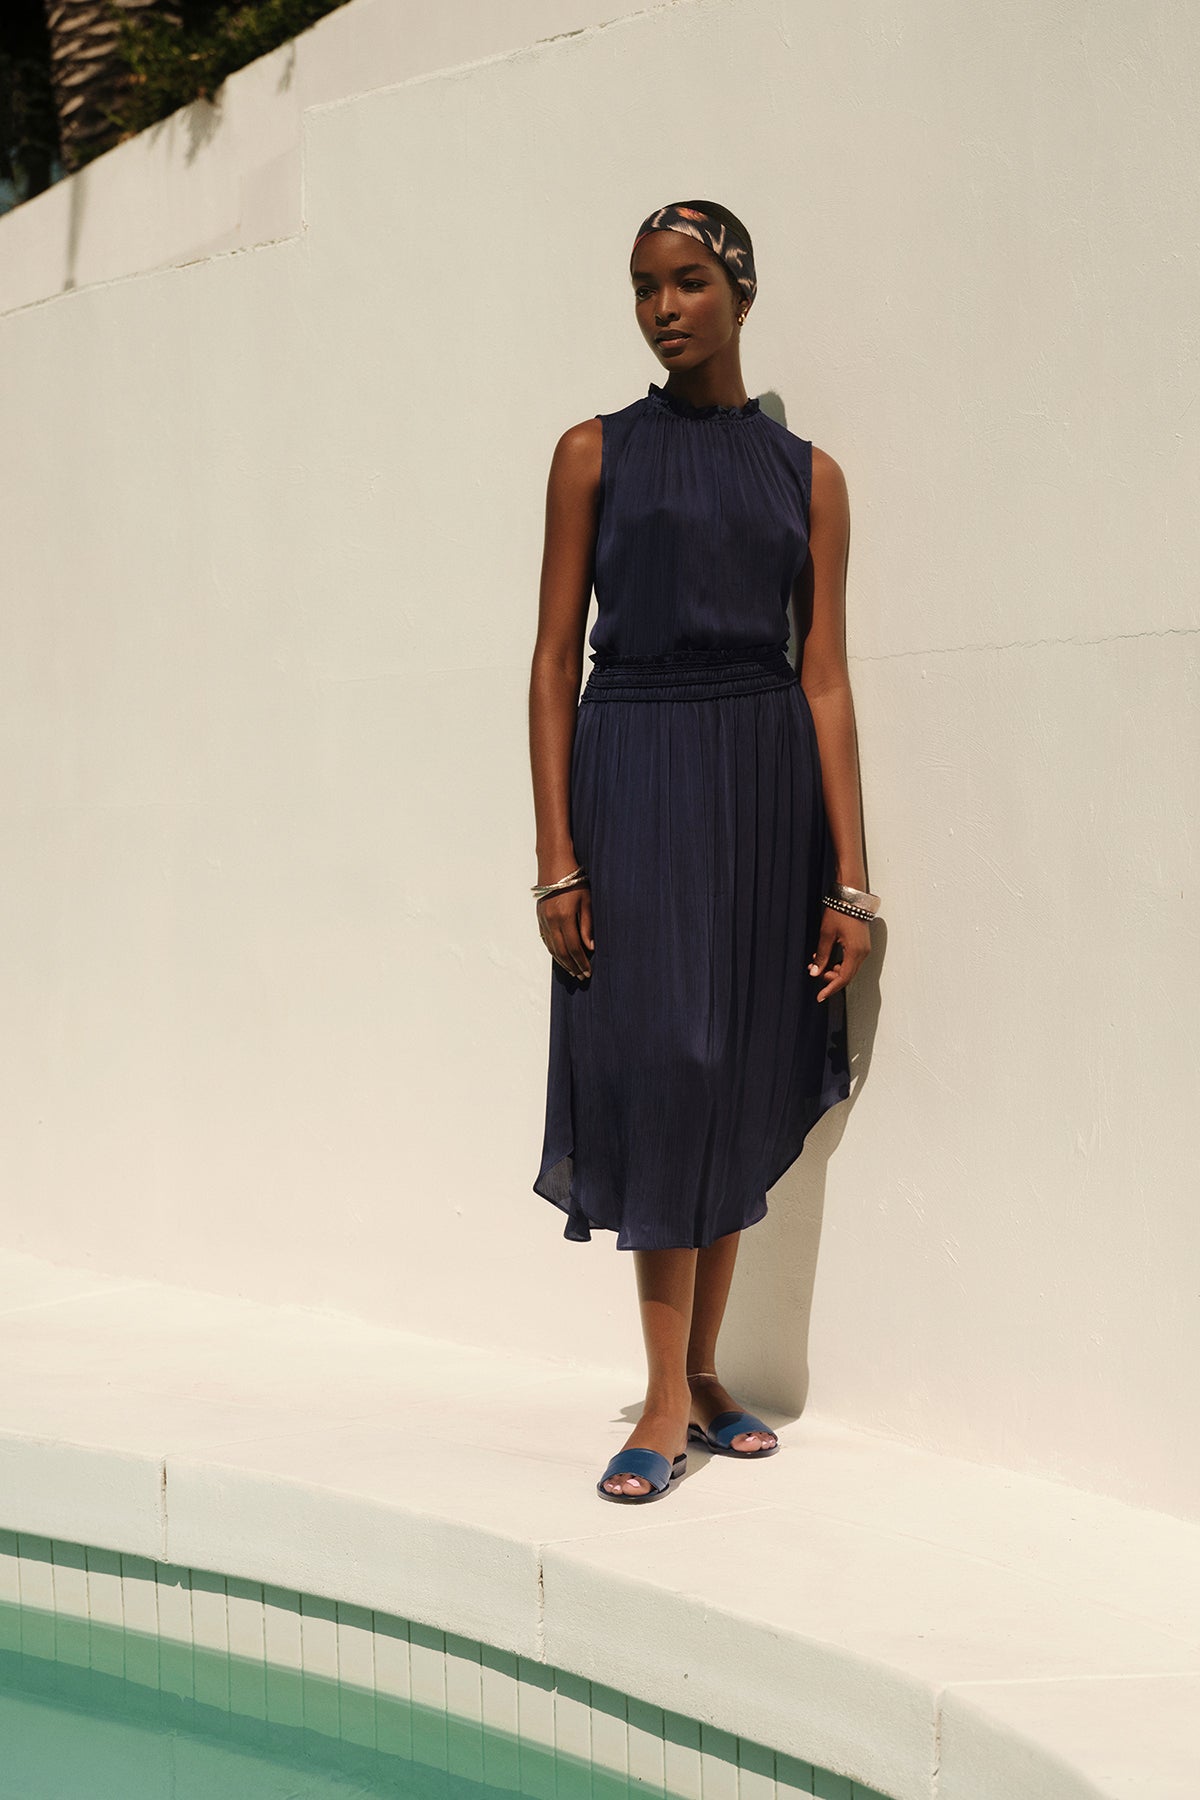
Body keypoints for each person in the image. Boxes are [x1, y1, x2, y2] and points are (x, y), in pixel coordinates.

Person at [527, 201, 877, 1504]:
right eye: (641, 288)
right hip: (638, 768)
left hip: (761, 780)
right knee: (662, 1065)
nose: (662, 308)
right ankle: (666, 1395)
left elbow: (826, 679)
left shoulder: (809, 476)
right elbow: (556, 660)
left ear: (738, 291)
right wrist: (559, 855)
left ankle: (708, 1374)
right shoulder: (591, 455)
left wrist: (849, 877)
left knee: (727, 1066)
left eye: (685, 283)